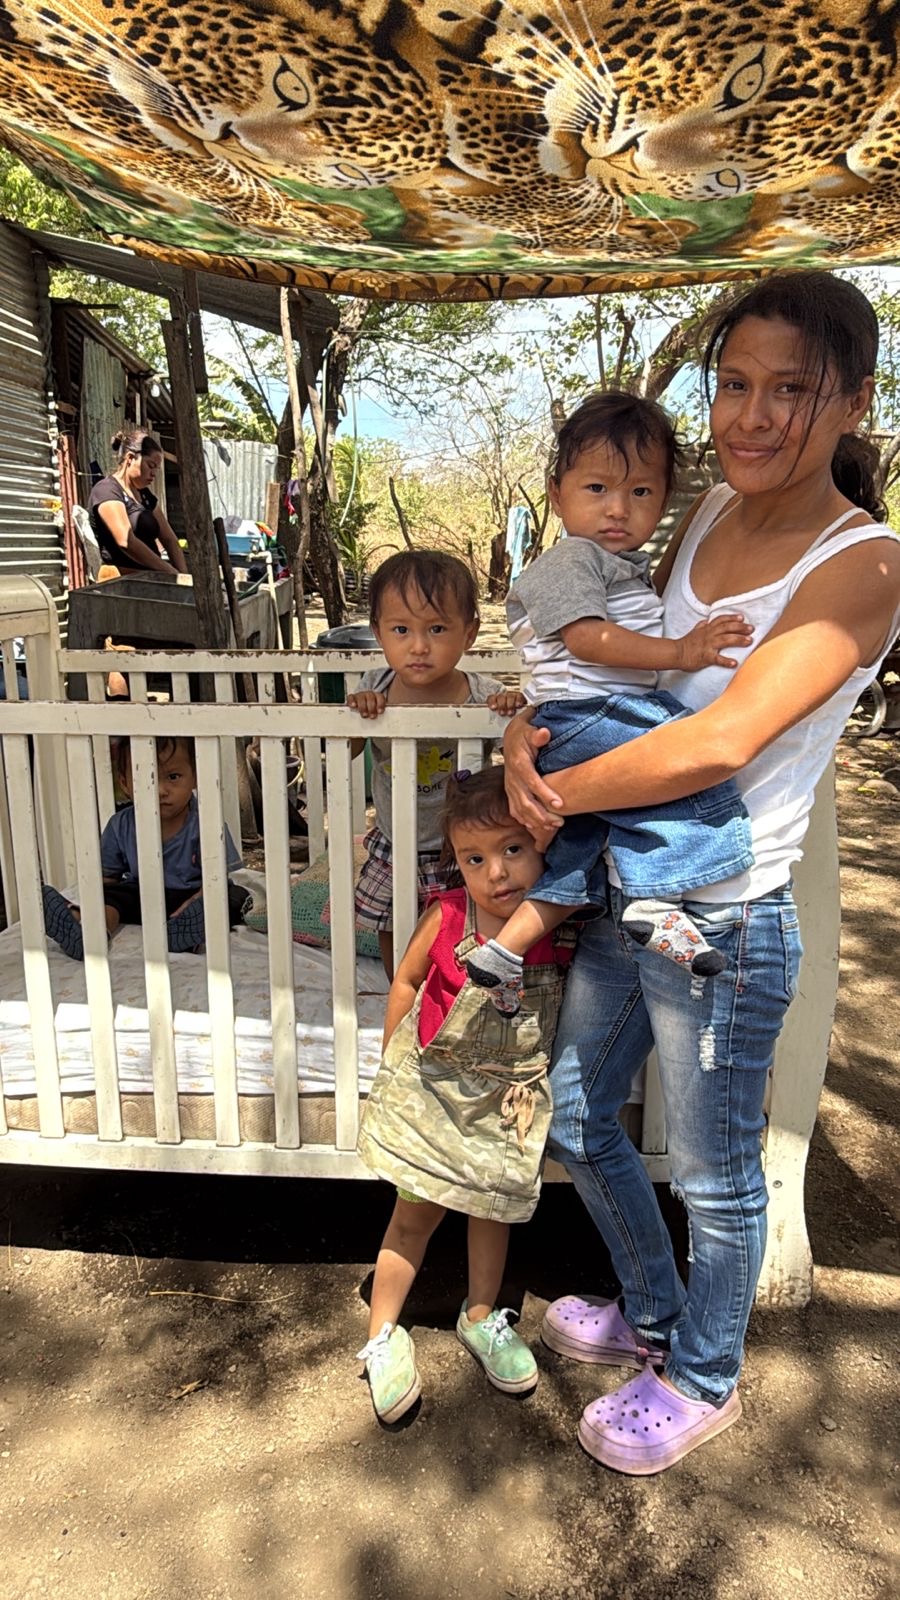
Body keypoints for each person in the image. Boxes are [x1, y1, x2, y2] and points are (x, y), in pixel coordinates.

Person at [501, 270, 900, 1474]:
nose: (754, 414)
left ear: (855, 404)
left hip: (721, 922)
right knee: (578, 1114)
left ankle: (707, 1376)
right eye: (734, 384)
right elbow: (626, 673)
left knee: (720, 1178)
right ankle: (659, 1316)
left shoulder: (865, 564)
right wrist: (531, 725)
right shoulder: (713, 509)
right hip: (632, 883)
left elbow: (722, 736)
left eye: (792, 389)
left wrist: (553, 792)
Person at [465, 391, 755, 1015]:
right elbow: (586, 641)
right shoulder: (573, 558)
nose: (618, 509)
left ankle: (502, 951)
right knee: (690, 766)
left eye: (642, 493)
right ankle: (656, 898)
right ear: (556, 491)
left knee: (577, 851)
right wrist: (683, 652)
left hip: (572, 720)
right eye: (597, 488)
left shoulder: (621, 564)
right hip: (588, 717)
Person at [355, 767, 573, 1423]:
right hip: (437, 1086)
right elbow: (407, 980)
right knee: (412, 1213)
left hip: (507, 1097)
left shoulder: (559, 928)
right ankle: (381, 1336)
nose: (496, 873)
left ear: (544, 846)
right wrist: (397, 1054)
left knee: (491, 1209)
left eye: (513, 850)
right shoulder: (448, 915)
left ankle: (480, 1316)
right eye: (475, 858)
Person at [347, 550, 523, 975]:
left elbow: (517, 748)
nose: (419, 646)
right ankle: (400, 986)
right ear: (379, 633)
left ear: (470, 634)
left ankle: (454, 985)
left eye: (438, 629)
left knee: (465, 920)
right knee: (388, 919)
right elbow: (346, 747)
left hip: (462, 843)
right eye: (401, 630)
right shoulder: (376, 686)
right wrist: (358, 714)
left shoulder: (484, 694)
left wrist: (512, 711)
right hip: (395, 839)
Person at [42, 736, 247, 961]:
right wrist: (99, 904)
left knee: (233, 896)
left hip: (193, 894)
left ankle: (185, 932)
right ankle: (90, 932)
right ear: (124, 783)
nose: (160, 790)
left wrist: (197, 901)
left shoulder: (207, 823)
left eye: (173, 777)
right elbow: (108, 879)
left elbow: (216, 878)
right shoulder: (120, 824)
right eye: (145, 778)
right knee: (113, 895)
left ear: (195, 777)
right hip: (143, 895)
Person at [88, 429, 188, 576]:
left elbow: (169, 539)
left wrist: (184, 578)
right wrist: (170, 571)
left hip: (151, 577)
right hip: (123, 581)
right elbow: (125, 541)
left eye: (157, 469)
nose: (154, 473)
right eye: (150, 465)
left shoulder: (145, 495)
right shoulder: (106, 490)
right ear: (130, 458)